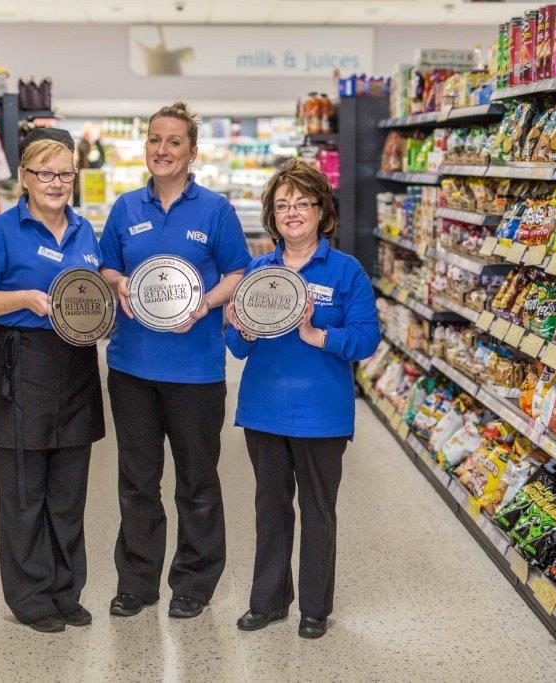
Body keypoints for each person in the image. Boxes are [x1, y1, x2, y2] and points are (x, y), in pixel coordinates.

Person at [98, 102, 251, 619]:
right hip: (131, 367)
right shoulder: (124, 208)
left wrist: (203, 304)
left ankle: (194, 582)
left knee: (197, 481)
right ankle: (137, 582)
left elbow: (236, 272)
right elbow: (106, 266)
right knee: (138, 481)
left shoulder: (216, 210)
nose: (161, 150)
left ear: (191, 151)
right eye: (154, 140)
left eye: (173, 142)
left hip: (195, 370)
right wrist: (118, 283)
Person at [0, 128, 105, 634]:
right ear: (25, 177)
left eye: (64, 174)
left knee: (69, 492)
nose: (56, 182)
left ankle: (67, 592)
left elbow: (93, 288)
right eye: (45, 173)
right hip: (21, 365)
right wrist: (20, 298)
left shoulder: (86, 231)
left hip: (76, 366)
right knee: (25, 492)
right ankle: (31, 598)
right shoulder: (0, 231)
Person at [224, 159, 380, 639]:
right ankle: (268, 602)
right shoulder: (258, 268)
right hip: (264, 409)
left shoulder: (345, 271)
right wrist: (239, 325)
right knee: (269, 509)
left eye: (302, 203)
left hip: (321, 415)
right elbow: (237, 347)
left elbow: (366, 338)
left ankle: (315, 608)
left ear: (321, 210)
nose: (292, 213)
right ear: (272, 215)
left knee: (317, 511)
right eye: (282, 204)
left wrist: (318, 335)